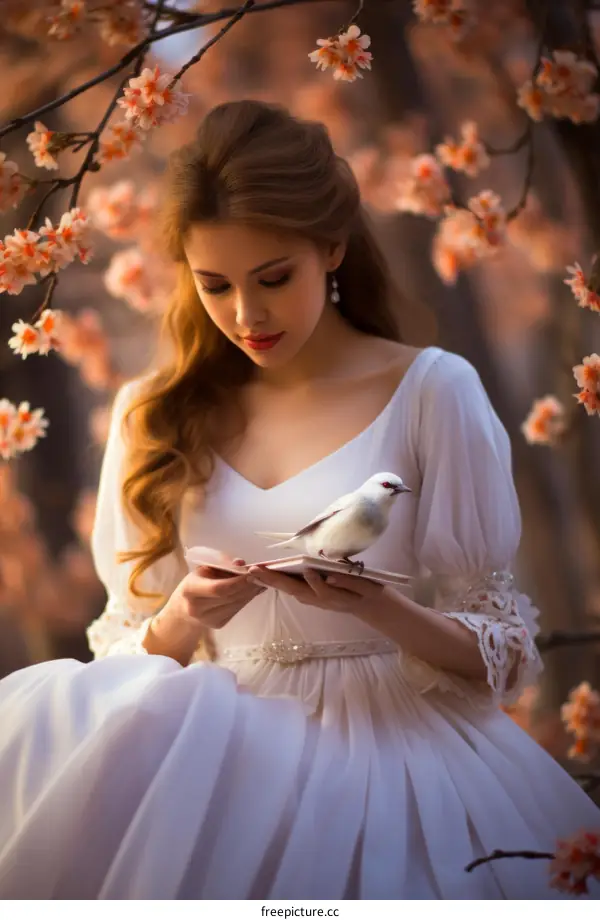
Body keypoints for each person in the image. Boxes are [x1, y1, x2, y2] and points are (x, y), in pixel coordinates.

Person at [0, 99, 598, 900]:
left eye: (274, 278)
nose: (246, 315)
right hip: (213, 764)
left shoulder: (432, 391)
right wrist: (183, 617)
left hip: (397, 754)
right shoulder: (155, 412)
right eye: (214, 285)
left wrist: (373, 608)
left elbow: (504, 652)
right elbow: (125, 656)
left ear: (333, 248)